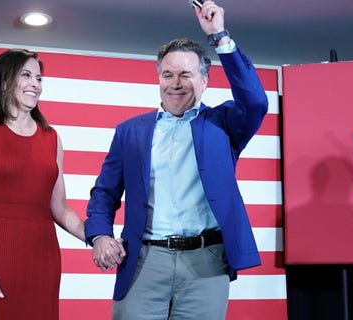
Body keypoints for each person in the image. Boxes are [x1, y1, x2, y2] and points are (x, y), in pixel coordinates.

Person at [84, 1, 269, 319]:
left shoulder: (223, 124)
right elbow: (104, 193)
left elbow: (254, 100)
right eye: (167, 75)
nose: (175, 83)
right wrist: (99, 235)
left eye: (186, 74)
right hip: (143, 261)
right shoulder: (130, 131)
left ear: (205, 81)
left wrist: (219, 37)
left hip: (206, 263)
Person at [0, 48, 85, 319]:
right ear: (5, 81)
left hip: (43, 258)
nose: (35, 84)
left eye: (39, 78)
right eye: (26, 75)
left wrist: (99, 238)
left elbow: (60, 209)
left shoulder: (52, 138)